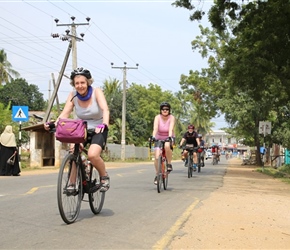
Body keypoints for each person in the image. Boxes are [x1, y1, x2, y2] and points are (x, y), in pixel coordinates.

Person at [44, 67, 110, 192]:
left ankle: (104, 177)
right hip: (81, 128)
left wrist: (104, 124)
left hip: (98, 128)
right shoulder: (73, 95)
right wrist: (54, 124)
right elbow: (65, 113)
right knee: (73, 151)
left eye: (82, 83)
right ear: (74, 85)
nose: (80, 86)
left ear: (88, 82)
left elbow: (105, 109)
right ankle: (72, 183)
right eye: (77, 83)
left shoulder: (97, 92)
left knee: (93, 154)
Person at [151, 102, 175, 185]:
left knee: (167, 145)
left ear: (169, 110)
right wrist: (153, 136)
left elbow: (171, 128)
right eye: (163, 109)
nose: (165, 111)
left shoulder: (171, 117)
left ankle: (169, 164)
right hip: (158, 137)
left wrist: (169, 137)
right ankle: (158, 174)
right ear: (160, 110)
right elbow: (155, 128)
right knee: (157, 156)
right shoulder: (157, 117)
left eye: (167, 109)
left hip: (169, 136)